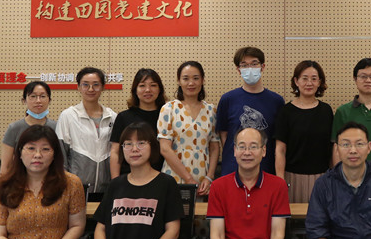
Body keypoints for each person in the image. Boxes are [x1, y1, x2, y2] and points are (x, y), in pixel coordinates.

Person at [78, 124, 183, 239]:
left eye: (141, 143)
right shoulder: (116, 185)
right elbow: (100, 229)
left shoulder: (166, 184)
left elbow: (173, 232)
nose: (134, 149)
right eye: (128, 144)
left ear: (152, 146)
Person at [207, 127, 291, 239]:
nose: (247, 152)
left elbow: (277, 235)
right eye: (242, 146)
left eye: (253, 146)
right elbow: (216, 236)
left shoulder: (278, 186)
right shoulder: (218, 186)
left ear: (263, 151)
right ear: (234, 151)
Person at [216, 47, 285, 177]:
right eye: (244, 65)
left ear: (262, 67)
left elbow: (278, 139)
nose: (250, 68)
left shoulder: (277, 101)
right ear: (238, 70)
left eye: (254, 64)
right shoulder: (227, 99)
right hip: (233, 169)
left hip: (266, 169)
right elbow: (224, 135)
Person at [275, 60, 334, 202]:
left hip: (322, 177)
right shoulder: (286, 112)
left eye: (314, 79)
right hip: (292, 177)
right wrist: (280, 179)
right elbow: (280, 149)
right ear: (296, 81)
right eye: (304, 78)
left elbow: (332, 148)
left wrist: (334, 176)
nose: (309, 83)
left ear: (319, 82)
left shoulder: (326, 111)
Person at [157, 61, 220, 195]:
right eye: (185, 78)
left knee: (201, 209)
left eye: (196, 78)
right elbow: (165, 148)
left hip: (203, 180)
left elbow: (214, 147)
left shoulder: (211, 110)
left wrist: (209, 177)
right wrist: (189, 179)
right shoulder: (169, 109)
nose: (191, 83)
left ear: (202, 80)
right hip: (173, 177)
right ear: (179, 81)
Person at [56, 67, 117, 196]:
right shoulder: (68, 116)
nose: (90, 89)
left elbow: (116, 153)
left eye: (96, 85)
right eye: (85, 85)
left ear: (103, 87)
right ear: (78, 87)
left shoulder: (112, 116)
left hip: (106, 189)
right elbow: (61, 156)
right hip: (76, 189)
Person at [110, 68, 167, 178]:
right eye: (142, 86)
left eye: (153, 85)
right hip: (128, 178)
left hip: (161, 178)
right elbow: (115, 152)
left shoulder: (167, 116)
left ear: (160, 89)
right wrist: (115, 181)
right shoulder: (123, 117)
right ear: (135, 90)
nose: (148, 90)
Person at [0, 81, 58, 175]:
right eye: (33, 96)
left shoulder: (57, 127)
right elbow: (5, 166)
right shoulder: (14, 128)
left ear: (49, 100)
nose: (38, 100)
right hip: (20, 179)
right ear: (24, 100)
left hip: (50, 179)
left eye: (43, 96)